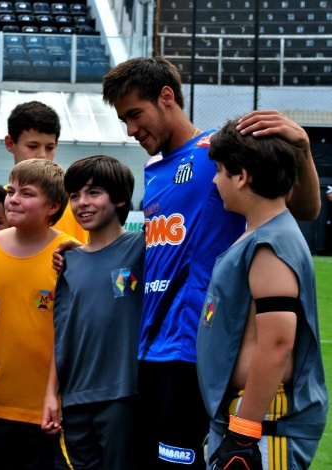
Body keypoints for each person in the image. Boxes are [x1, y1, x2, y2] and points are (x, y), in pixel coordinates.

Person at [100, 56, 321, 468]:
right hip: (149, 350)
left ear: (167, 97)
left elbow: (304, 209)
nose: (131, 130)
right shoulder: (154, 170)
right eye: (123, 121)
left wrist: (304, 150)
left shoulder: (218, 151)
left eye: (135, 115)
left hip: (195, 353)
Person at [197, 118, 328, 469]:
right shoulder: (260, 234)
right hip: (249, 416)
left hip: (265, 422)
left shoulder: (271, 243)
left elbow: (277, 343)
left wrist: (242, 434)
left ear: (241, 176)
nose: (214, 180)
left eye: (220, 170)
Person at [0, 159, 75, 470]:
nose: (13, 199)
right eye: (10, 190)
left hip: (42, 407)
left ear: (53, 206)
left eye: (26, 193)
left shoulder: (69, 254)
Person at [42, 155, 144, 469]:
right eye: (74, 196)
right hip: (75, 399)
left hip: (123, 396)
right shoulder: (69, 262)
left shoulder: (143, 248)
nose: (82, 203)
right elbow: (64, 332)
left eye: (93, 193)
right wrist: (51, 395)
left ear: (120, 199)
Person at [5, 100, 88, 243]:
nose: (42, 155)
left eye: (49, 148)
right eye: (32, 146)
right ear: (10, 144)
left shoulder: (76, 199)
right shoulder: (0, 201)